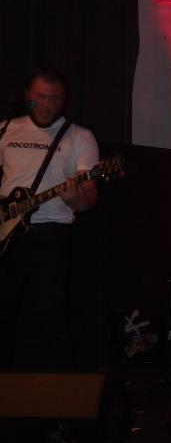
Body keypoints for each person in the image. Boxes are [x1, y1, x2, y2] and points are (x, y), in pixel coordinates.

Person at [0, 68, 99, 369]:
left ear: (64, 100)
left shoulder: (80, 137)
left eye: (54, 99)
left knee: (47, 315)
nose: (46, 105)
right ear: (27, 95)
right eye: (39, 97)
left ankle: (52, 388)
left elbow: (89, 197)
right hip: (5, 235)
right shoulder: (5, 129)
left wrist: (76, 199)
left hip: (51, 235)